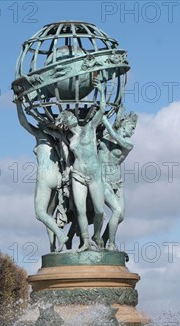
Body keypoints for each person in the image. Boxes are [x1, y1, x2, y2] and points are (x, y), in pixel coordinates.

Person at [56, 78, 106, 251]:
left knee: (100, 211)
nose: (71, 117)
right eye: (68, 117)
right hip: (77, 175)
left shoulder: (90, 128)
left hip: (94, 174)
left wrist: (101, 91)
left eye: (71, 115)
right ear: (66, 123)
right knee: (80, 211)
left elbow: (102, 110)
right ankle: (85, 241)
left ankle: (97, 236)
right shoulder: (69, 138)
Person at [15, 100, 68, 252]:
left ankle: (60, 236)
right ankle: (53, 248)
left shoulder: (40, 134)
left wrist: (18, 105)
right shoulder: (59, 136)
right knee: (49, 215)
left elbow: (23, 122)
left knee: (40, 213)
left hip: (45, 176)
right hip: (58, 177)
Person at [98, 110, 137, 250]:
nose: (133, 132)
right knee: (117, 211)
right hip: (102, 180)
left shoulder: (128, 144)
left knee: (120, 217)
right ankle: (111, 245)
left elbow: (115, 135)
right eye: (132, 128)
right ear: (124, 125)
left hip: (117, 182)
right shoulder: (105, 136)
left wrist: (104, 120)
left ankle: (101, 241)